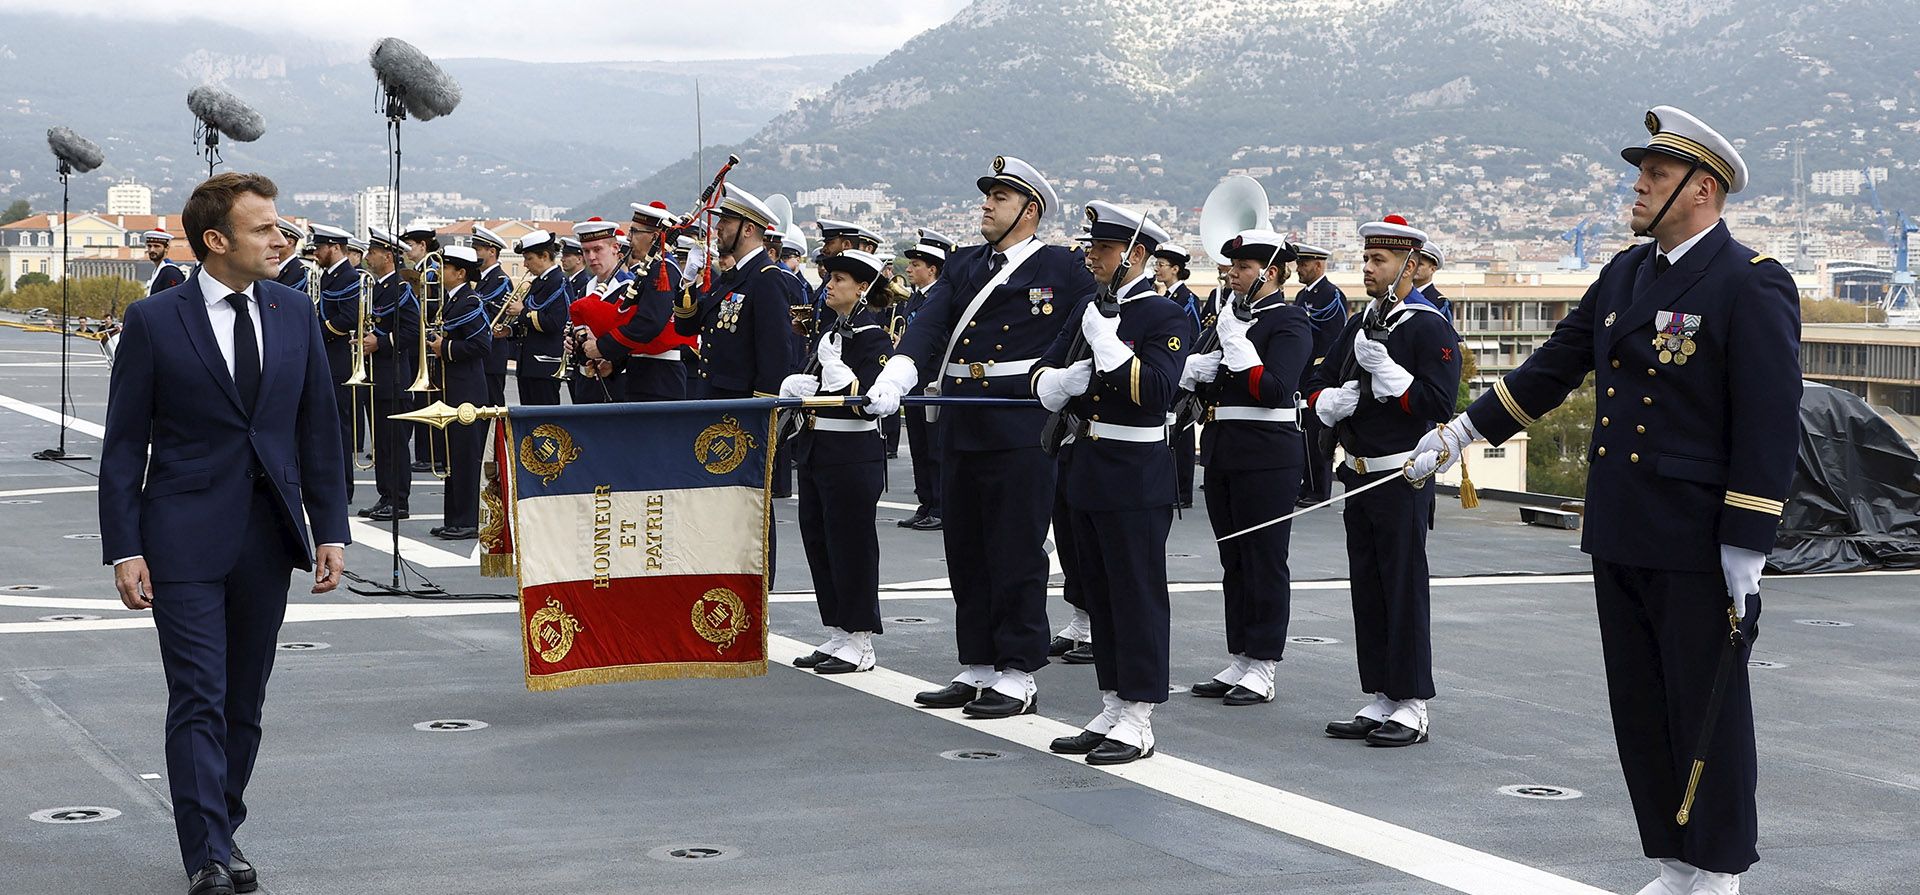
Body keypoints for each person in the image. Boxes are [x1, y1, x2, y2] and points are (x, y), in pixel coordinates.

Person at [1408, 106, 1796, 895]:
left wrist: (1746, 542)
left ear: (1703, 189)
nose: (1640, 185)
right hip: (1620, 522)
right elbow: (1553, 366)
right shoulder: (1625, 272)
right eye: (1643, 171)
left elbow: (1768, 417)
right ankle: (1673, 860)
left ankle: (1718, 869)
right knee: (1641, 706)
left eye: (1657, 174)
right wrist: (1461, 431)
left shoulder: (1749, 281)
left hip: (1696, 536)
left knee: (1707, 708)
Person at [98, 172, 348, 895]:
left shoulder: (295, 311)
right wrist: (125, 543)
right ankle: (206, 852)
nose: (282, 237)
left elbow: (319, 429)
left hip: (267, 537)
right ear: (216, 240)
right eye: (264, 228)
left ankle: (222, 824)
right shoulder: (156, 320)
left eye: (281, 226)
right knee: (199, 694)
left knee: (244, 700)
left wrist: (330, 526)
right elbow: (122, 444)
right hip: (179, 537)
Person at [866, 156, 1098, 719]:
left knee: (1015, 548)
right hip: (962, 418)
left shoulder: (1063, 269)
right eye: (987, 195)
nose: (987, 205)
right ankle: (978, 665)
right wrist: (897, 372)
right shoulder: (965, 264)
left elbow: (1096, 327)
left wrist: (1069, 388)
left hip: (1021, 421)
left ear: (1030, 209)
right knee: (965, 548)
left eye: (1000, 196)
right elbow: (929, 324)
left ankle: (1018, 671)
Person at [1031, 201, 1188, 764]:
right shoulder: (1088, 308)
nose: (1090, 256)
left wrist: (1109, 347)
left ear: (1136, 255)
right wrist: (1057, 379)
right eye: (1091, 246)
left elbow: (1157, 394)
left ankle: (1139, 714)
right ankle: (1112, 702)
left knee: (1136, 595)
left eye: (1102, 248)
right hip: (1086, 467)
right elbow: (1040, 372)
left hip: (1135, 471)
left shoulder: (1164, 316)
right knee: (1099, 592)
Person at [1305, 214, 1460, 748]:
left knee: (1402, 586)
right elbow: (1321, 380)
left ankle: (1413, 702)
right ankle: (1381, 693)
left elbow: (1440, 402)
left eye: (1380, 261)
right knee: (1367, 587)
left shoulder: (1428, 326)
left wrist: (1392, 377)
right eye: (1367, 259)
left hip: (1402, 476)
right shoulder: (1360, 321)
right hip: (1359, 473)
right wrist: (1329, 401)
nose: (1368, 268)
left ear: (1411, 268)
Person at [1183, 230, 1312, 706]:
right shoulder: (1230, 318)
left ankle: (1264, 663)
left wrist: (1236, 347)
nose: (1231, 274)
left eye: (1241, 268)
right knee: (1233, 559)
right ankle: (1240, 654)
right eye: (1231, 267)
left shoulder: (1290, 323)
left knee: (1264, 558)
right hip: (1222, 448)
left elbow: (1275, 390)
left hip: (1267, 456)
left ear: (1270, 273)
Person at [782, 249, 897, 674]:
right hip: (818, 449)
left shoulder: (873, 336)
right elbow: (812, 379)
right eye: (829, 278)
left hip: (852, 453)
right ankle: (838, 632)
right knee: (821, 542)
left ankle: (861, 638)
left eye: (840, 279)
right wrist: (800, 383)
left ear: (862, 287)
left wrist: (839, 376)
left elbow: (868, 401)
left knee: (851, 547)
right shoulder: (831, 327)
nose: (829, 285)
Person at [672, 186, 800, 399]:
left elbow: (775, 355)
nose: (718, 228)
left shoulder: (766, 278)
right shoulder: (731, 277)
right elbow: (686, 326)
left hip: (739, 406)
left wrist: (761, 410)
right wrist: (688, 280)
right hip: (714, 398)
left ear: (748, 229)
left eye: (726, 222)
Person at [426, 245, 492, 540]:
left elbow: (481, 345)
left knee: (465, 456)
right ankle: (453, 517)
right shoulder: (453, 301)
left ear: (460, 273)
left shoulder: (469, 301)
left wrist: (445, 348)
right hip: (452, 386)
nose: (440, 273)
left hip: (467, 389)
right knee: (452, 455)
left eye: (445, 268)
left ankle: (467, 520)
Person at [358, 227, 420, 521]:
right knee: (381, 443)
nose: (368, 256)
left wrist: (379, 342)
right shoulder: (380, 287)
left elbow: (411, 332)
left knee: (394, 442)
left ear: (387, 255)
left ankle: (399, 501)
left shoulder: (400, 288)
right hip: (377, 375)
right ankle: (386, 496)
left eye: (372, 252)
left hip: (393, 375)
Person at [896, 228, 955, 532]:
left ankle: (940, 505)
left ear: (932, 269)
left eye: (916, 264)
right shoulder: (915, 300)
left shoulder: (942, 299)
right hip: (915, 381)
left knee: (934, 447)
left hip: (933, 381)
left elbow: (942, 340)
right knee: (919, 444)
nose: (910, 269)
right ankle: (926, 502)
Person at [1291, 241, 1346, 505]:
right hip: (1302, 373)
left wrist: (1318, 372)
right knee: (1303, 433)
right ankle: (1307, 483)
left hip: (1318, 374)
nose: (1299, 268)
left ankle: (1320, 490)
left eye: (1303, 263)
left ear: (1318, 265)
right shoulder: (1303, 296)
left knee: (1317, 434)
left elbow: (1332, 341)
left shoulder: (1331, 296)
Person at [309, 224, 359, 505]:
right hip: (326, 356)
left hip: (338, 358)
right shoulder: (329, 275)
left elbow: (349, 317)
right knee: (325, 424)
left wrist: (318, 330)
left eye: (320, 247)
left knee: (339, 425)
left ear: (335, 247)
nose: (316, 252)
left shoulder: (347, 276)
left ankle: (344, 486)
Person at [1153, 242, 1202, 508]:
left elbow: (1192, 337)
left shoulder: (1187, 300)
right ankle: (1171, 487)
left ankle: (1182, 491)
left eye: (1162, 265)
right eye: (1156, 264)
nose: (1157, 269)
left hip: (1181, 373)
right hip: (1168, 371)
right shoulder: (1165, 298)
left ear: (1176, 269)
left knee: (1181, 432)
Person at [565, 219, 634, 403]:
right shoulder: (584, 289)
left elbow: (635, 336)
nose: (591, 257)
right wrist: (573, 341)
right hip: (585, 384)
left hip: (617, 383)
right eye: (586, 251)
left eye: (597, 249)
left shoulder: (629, 289)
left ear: (615, 248)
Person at [506, 230, 571, 406]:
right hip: (528, 364)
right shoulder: (539, 282)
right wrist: (509, 330)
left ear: (544, 256)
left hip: (544, 363)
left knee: (544, 420)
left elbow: (555, 322)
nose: (525, 265)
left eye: (529, 258)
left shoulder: (559, 282)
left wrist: (522, 311)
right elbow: (528, 323)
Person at [471, 226, 513, 407]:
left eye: (477, 250)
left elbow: (494, 317)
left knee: (493, 406)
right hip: (483, 356)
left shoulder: (500, 281)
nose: (475, 254)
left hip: (492, 356)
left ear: (492, 251)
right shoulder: (482, 280)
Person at [144, 229, 187, 295]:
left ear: (166, 248)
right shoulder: (158, 270)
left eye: (156, 246)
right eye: (149, 246)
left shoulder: (171, 272)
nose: (152, 250)